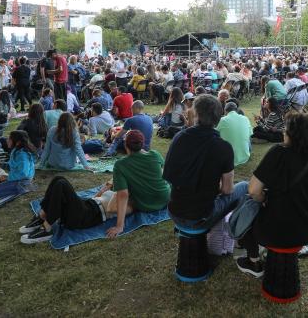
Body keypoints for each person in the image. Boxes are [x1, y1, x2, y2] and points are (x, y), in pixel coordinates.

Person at [236, 112, 308, 277]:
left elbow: (253, 190)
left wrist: (263, 198)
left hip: (274, 230)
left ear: (292, 134)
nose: (283, 132)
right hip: (306, 228)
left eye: (286, 129)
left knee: (247, 210)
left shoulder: (278, 152)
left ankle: (253, 261)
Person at [163, 94, 247, 233]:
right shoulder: (224, 147)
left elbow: (168, 175)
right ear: (219, 117)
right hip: (202, 217)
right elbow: (227, 190)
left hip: (174, 211)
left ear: (195, 114)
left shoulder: (179, 137)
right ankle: (235, 234)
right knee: (244, 186)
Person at [107, 130, 170, 237]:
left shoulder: (120, 165)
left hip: (145, 205)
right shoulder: (155, 154)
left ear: (126, 145)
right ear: (142, 144)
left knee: (111, 208)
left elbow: (123, 195)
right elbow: (165, 175)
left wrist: (119, 226)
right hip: (165, 198)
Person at [216, 101, 253, 167]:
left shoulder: (223, 120)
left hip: (228, 159)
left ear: (225, 110)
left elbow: (214, 134)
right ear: (236, 110)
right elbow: (250, 135)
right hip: (245, 157)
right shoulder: (245, 118)